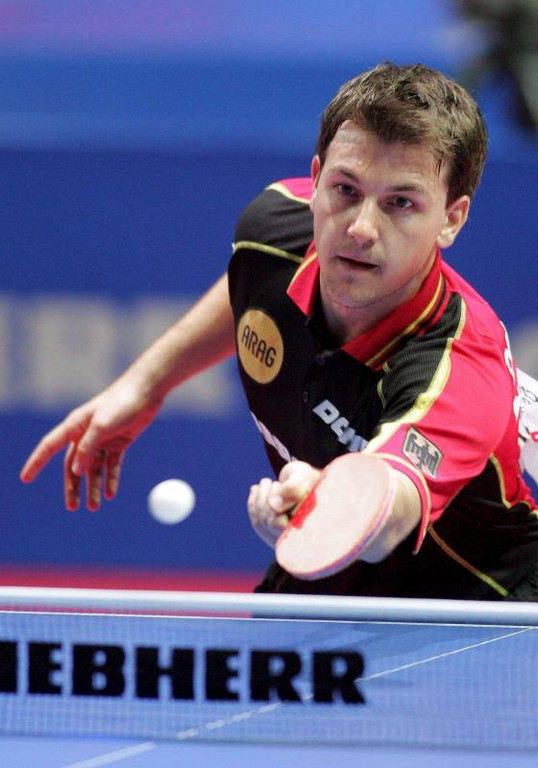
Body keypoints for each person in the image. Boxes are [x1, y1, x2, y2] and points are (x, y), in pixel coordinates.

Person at [20, 62, 538, 600]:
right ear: (315, 181)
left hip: (480, 606)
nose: (360, 228)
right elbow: (253, 277)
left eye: (401, 203)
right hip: (327, 575)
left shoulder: (457, 364)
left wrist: (330, 504)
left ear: (451, 219)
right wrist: (145, 383)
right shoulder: (273, 228)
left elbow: (389, 513)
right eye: (345, 189)